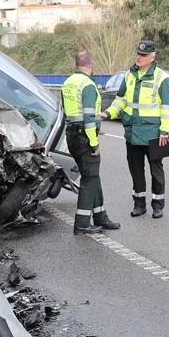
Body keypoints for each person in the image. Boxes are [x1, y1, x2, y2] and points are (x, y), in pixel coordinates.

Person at [104, 40, 169, 219]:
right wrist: (108, 113)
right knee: (136, 169)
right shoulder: (129, 75)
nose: (139, 57)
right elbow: (121, 100)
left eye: (143, 55)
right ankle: (139, 204)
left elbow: (168, 108)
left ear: (153, 57)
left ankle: (158, 205)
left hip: (154, 134)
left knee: (156, 171)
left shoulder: (161, 78)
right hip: (132, 132)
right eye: (138, 54)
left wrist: (164, 131)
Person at [60, 51, 120, 235]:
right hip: (84, 137)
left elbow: (66, 112)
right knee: (89, 179)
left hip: (72, 134)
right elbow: (87, 117)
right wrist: (94, 143)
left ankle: (101, 217)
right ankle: (82, 223)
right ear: (91, 64)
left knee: (92, 177)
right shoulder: (87, 85)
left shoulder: (68, 83)